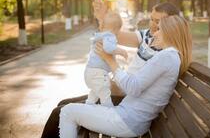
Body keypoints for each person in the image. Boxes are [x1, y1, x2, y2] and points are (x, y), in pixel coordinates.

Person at [40, 0, 180, 138]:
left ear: (171, 25)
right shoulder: (147, 36)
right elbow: (114, 34)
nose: (152, 25)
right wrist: (103, 17)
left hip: (123, 97)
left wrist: (112, 67)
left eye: (157, 22)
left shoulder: (165, 52)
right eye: (151, 19)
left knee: (60, 112)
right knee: (63, 104)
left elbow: (136, 87)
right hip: (123, 94)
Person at [59, 15, 192, 137]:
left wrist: (110, 61)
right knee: (73, 108)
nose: (155, 33)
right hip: (129, 118)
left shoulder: (167, 56)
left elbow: (132, 87)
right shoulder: (170, 57)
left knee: (67, 111)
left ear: (170, 33)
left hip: (127, 121)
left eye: (159, 30)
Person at [84, 11, 127, 106]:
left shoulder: (100, 35)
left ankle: (88, 105)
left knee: (95, 92)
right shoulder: (109, 36)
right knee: (105, 94)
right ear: (116, 29)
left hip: (90, 71)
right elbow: (108, 48)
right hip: (98, 73)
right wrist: (120, 51)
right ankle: (108, 110)